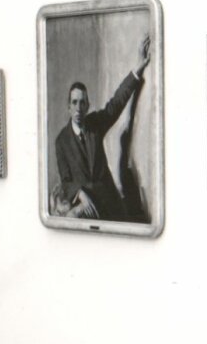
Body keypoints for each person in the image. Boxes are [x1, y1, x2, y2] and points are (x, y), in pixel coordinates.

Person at [52, 35, 151, 221]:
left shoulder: (95, 124)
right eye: (74, 102)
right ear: (68, 107)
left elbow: (116, 104)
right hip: (86, 204)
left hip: (109, 203)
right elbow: (66, 181)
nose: (78, 108)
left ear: (88, 106)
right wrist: (81, 194)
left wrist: (139, 67)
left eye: (83, 103)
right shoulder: (61, 141)